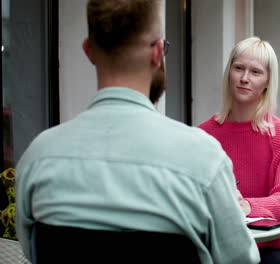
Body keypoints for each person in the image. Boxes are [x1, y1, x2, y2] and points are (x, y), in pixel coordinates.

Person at [15, 1, 260, 263]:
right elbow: (240, 260)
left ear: (88, 51)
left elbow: (32, 252)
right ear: (157, 52)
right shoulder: (203, 161)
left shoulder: (37, 158)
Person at [199, 37, 280, 264]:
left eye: (255, 72)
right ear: (229, 73)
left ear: (267, 81)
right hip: (214, 247)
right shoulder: (202, 136)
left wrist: (246, 206)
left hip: (266, 249)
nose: (245, 78)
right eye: (239, 68)